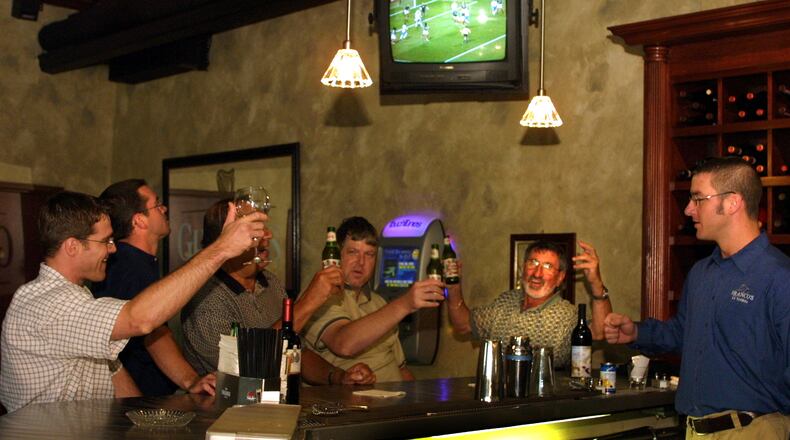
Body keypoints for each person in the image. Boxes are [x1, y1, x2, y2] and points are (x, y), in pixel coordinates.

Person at [0, 191, 265, 412]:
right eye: (105, 241)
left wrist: (142, 422)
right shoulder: (47, 304)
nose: (113, 249)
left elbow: (112, 371)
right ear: (72, 246)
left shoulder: (75, 295)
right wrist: (221, 249)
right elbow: (140, 320)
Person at [604, 157, 790, 439]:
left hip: (753, 430)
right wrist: (638, 332)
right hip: (693, 430)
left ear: (732, 203)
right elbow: (683, 333)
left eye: (697, 198)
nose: (689, 209)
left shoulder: (778, 276)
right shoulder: (702, 272)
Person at [181, 200, 376, 386]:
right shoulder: (205, 298)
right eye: (255, 229)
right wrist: (309, 301)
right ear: (226, 239)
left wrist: (339, 377)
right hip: (230, 412)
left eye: (264, 227)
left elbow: (296, 354)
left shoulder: (270, 283)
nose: (269, 235)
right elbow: (245, 368)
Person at [91, 179, 214, 397]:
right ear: (139, 220)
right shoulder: (129, 264)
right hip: (138, 395)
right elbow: (153, 333)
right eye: (157, 204)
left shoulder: (133, 261)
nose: (164, 208)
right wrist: (191, 380)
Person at [303, 216, 444, 382]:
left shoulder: (379, 303)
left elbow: (401, 369)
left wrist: (420, 401)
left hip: (394, 399)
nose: (360, 262)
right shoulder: (320, 295)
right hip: (352, 401)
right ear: (337, 255)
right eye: (353, 252)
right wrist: (405, 304)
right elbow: (344, 343)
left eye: (369, 254)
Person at [446, 240, 611, 367]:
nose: (537, 274)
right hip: (500, 404)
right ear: (523, 268)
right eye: (533, 263)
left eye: (548, 266)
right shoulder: (505, 302)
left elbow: (600, 332)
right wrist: (453, 287)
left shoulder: (567, 315)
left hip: (543, 406)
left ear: (560, 278)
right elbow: (463, 325)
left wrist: (596, 283)